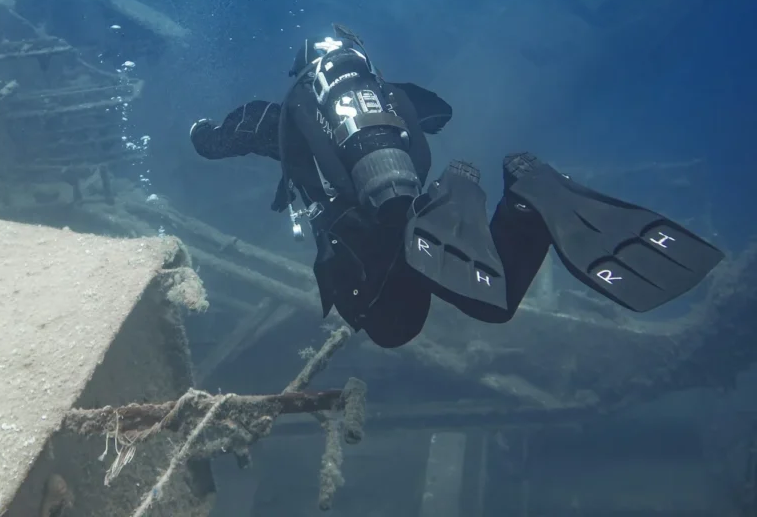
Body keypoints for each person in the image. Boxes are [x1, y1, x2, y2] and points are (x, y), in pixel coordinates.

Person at [188, 24, 726, 348]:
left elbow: (228, 137)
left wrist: (204, 138)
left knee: (398, 327)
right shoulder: (389, 94)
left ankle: (511, 205)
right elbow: (439, 111)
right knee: (486, 302)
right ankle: (513, 194)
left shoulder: (287, 115)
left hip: (369, 238)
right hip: (422, 214)